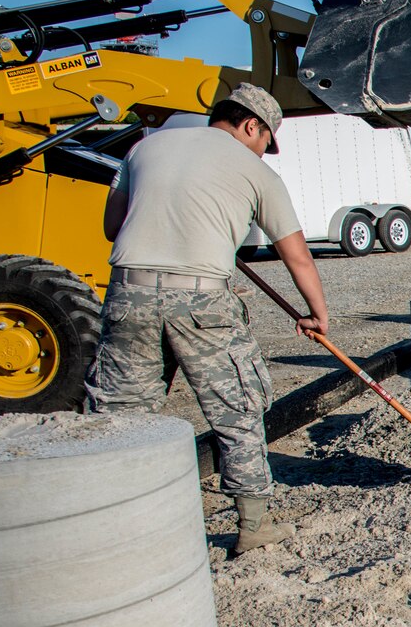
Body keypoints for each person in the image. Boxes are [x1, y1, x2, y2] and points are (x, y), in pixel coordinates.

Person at [85, 83, 329, 554]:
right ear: (250, 125)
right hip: (201, 303)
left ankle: (115, 525)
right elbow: (296, 255)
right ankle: (254, 525)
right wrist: (316, 314)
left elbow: (113, 227)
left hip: (129, 294)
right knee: (237, 409)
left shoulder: (142, 148)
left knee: (119, 415)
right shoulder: (253, 171)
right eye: (265, 141)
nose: (265, 152)